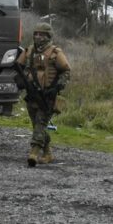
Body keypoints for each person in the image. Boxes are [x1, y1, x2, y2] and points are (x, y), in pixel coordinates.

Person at [15, 22, 70, 167]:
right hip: (31, 94)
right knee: (37, 125)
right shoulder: (30, 51)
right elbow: (18, 66)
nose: (38, 37)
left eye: (41, 34)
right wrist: (19, 80)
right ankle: (48, 153)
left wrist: (58, 86)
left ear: (48, 36)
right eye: (36, 34)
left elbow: (66, 71)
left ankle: (34, 153)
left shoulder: (55, 53)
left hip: (48, 96)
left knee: (40, 123)